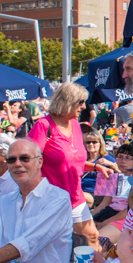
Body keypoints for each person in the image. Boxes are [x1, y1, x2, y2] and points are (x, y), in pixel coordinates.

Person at [29, 81, 101, 247]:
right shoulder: (43, 125)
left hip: (75, 196)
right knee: (55, 246)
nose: (84, 107)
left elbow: (74, 161)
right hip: (51, 200)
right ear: (67, 101)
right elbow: (29, 163)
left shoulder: (76, 125)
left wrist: (96, 167)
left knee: (92, 238)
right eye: (80, 102)